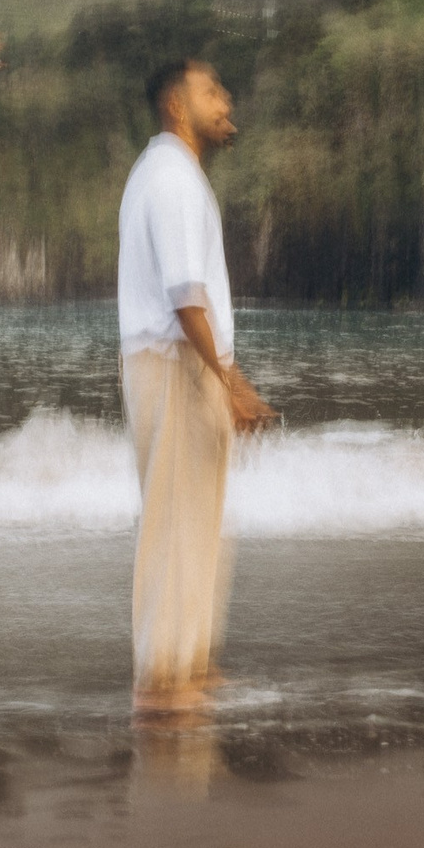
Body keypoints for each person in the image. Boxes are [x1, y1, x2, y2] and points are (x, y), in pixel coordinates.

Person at [117, 57, 276, 714]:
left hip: (177, 362)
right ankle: (163, 680)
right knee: (177, 525)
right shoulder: (173, 179)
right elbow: (187, 298)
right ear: (176, 106)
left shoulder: (167, 173)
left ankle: (188, 668)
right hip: (177, 362)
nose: (225, 98)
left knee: (194, 524)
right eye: (212, 90)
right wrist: (231, 380)